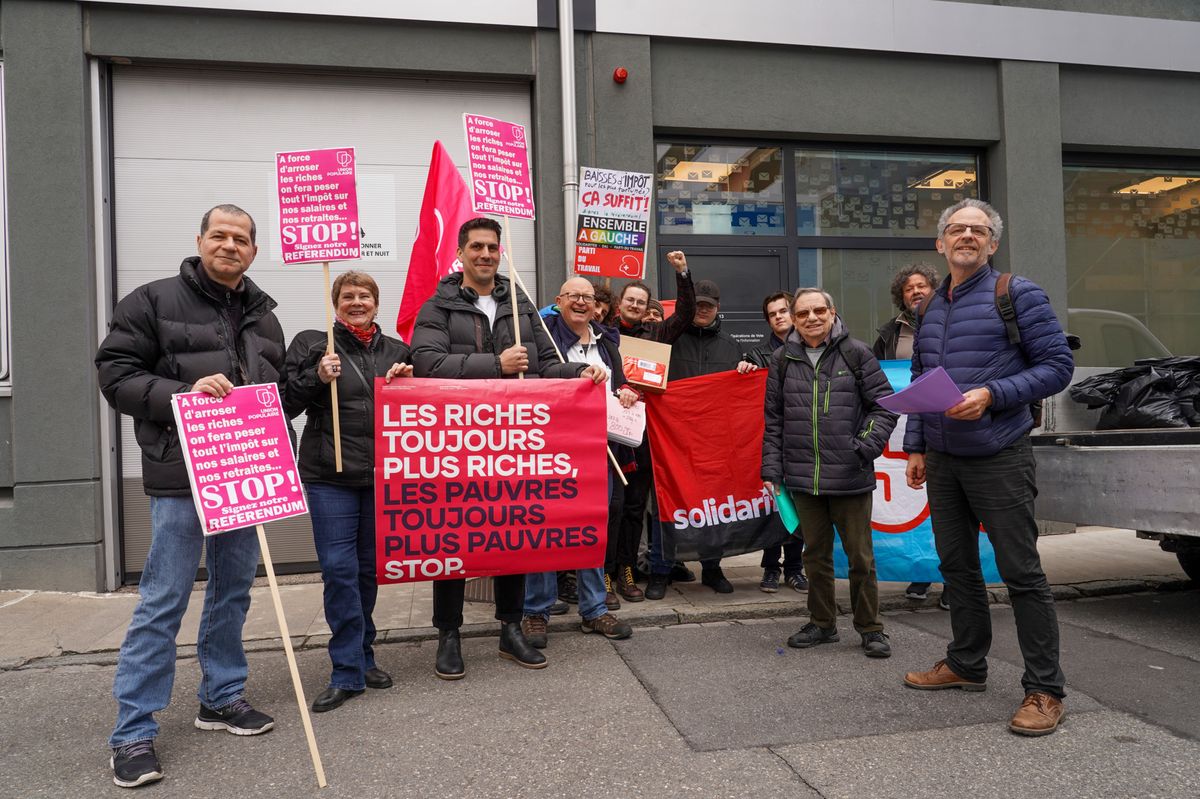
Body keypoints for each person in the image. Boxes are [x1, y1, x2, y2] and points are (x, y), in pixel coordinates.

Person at [95, 205, 282, 788]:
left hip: (243, 475)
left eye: (242, 239)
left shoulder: (263, 315)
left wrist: (312, 382)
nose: (230, 246)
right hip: (180, 473)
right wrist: (184, 392)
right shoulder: (151, 301)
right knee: (163, 598)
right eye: (220, 236)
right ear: (200, 240)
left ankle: (221, 697)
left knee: (233, 591)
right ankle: (132, 732)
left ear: (254, 250)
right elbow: (115, 374)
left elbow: (272, 395)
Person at [902, 199, 1074, 737]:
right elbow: (920, 376)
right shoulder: (929, 305)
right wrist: (916, 444)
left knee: (1022, 573)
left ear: (992, 244)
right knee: (956, 568)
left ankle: (1045, 689)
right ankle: (966, 664)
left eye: (979, 231)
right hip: (946, 459)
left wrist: (992, 394)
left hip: (1000, 452)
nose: (967, 236)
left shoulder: (1016, 293)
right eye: (957, 229)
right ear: (940, 243)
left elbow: (1057, 366)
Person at [410, 217, 606, 680]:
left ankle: (510, 629)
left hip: (513, 442)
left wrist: (578, 374)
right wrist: (494, 364)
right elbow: (425, 362)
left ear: (500, 252)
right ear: (460, 253)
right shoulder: (437, 305)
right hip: (457, 443)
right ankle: (449, 634)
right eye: (475, 247)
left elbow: (541, 366)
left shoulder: (517, 302)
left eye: (492, 247)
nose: (484, 254)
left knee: (513, 536)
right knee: (453, 540)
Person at [283, 271, 412, 713]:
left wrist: (408, 383)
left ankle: (364, 655)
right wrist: (317, 376)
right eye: (348, 296)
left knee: (367, 570)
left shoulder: (396, 350)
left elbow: (418, 411)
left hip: (381, 476)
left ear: (377, 303)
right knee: (339, 571)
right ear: (335, 302)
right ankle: (345, 671)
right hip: (329, 476)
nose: (357, 302)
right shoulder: (311, 342)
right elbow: (284, 402)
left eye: (365, 296)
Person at [761, 288, 898, 658]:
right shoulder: (782, 359)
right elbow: (773, 420)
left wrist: (864, 447)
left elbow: (884, 408)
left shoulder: (857, 353)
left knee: (860, 558)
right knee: (814, 556)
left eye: (819, 310)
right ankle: (822, 624)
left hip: (850, 476)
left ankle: (870, 628)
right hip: (803, 479)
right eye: (803, 313)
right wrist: (772, 469)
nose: (811, 318)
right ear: (793, 317)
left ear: (832, 312)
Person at [521, 277, 639, 648]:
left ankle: (593, 609)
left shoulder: (607, 342)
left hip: (597, 450)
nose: (582, 302)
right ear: (558, 301)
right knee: (542, 530)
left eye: (588, 297)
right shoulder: (543, 337)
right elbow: (535, 380)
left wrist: (626, 394)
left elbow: (619, 386)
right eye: (573, 296)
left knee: (591, 530)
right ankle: (536, 611)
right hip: (549, 449)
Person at [649, 278, 759, 595]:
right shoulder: (668, 339)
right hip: (673, 440)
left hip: (714, 442)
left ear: (717, 308)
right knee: (665, 505)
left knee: (713, 505)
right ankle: (660, 570)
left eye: (708, 306)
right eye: (697, 305)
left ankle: (712, 568)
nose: (702, 311)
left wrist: (747, 371)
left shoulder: (731, 346)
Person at [612, 255, 697, 600]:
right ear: (620, 304)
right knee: (610, 506)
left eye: (641, 302)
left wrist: (682, 274)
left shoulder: (657, 332)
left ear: (648, 307)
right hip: (606, 431)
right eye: (630, 300)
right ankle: (602, 572)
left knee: (634, 505)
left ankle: (626, 570)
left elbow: (687, 314)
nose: (635, 305)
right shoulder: (603, 332)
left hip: (642, 433)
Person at [871, 264, 946, 607]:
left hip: (948, 425)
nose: (916, 291)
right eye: (908, 288)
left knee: (947, 507)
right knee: (915, 501)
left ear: (934, 288)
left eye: (922, 285)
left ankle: (954, 582)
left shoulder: (952, 321)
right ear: (900, 296)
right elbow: (875, 380)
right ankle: (922, 572)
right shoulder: (889, 334)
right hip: (905, 435)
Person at [745, 291, 808, 594]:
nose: (779, 316)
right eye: (773, 314)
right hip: (770, 438)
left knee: (799, 505)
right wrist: (743, 367)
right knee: (774, 505)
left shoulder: (812, 348)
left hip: (804, 439)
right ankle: (771, 567)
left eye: (784, 311)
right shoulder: (757, 355)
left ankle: (795, 568)